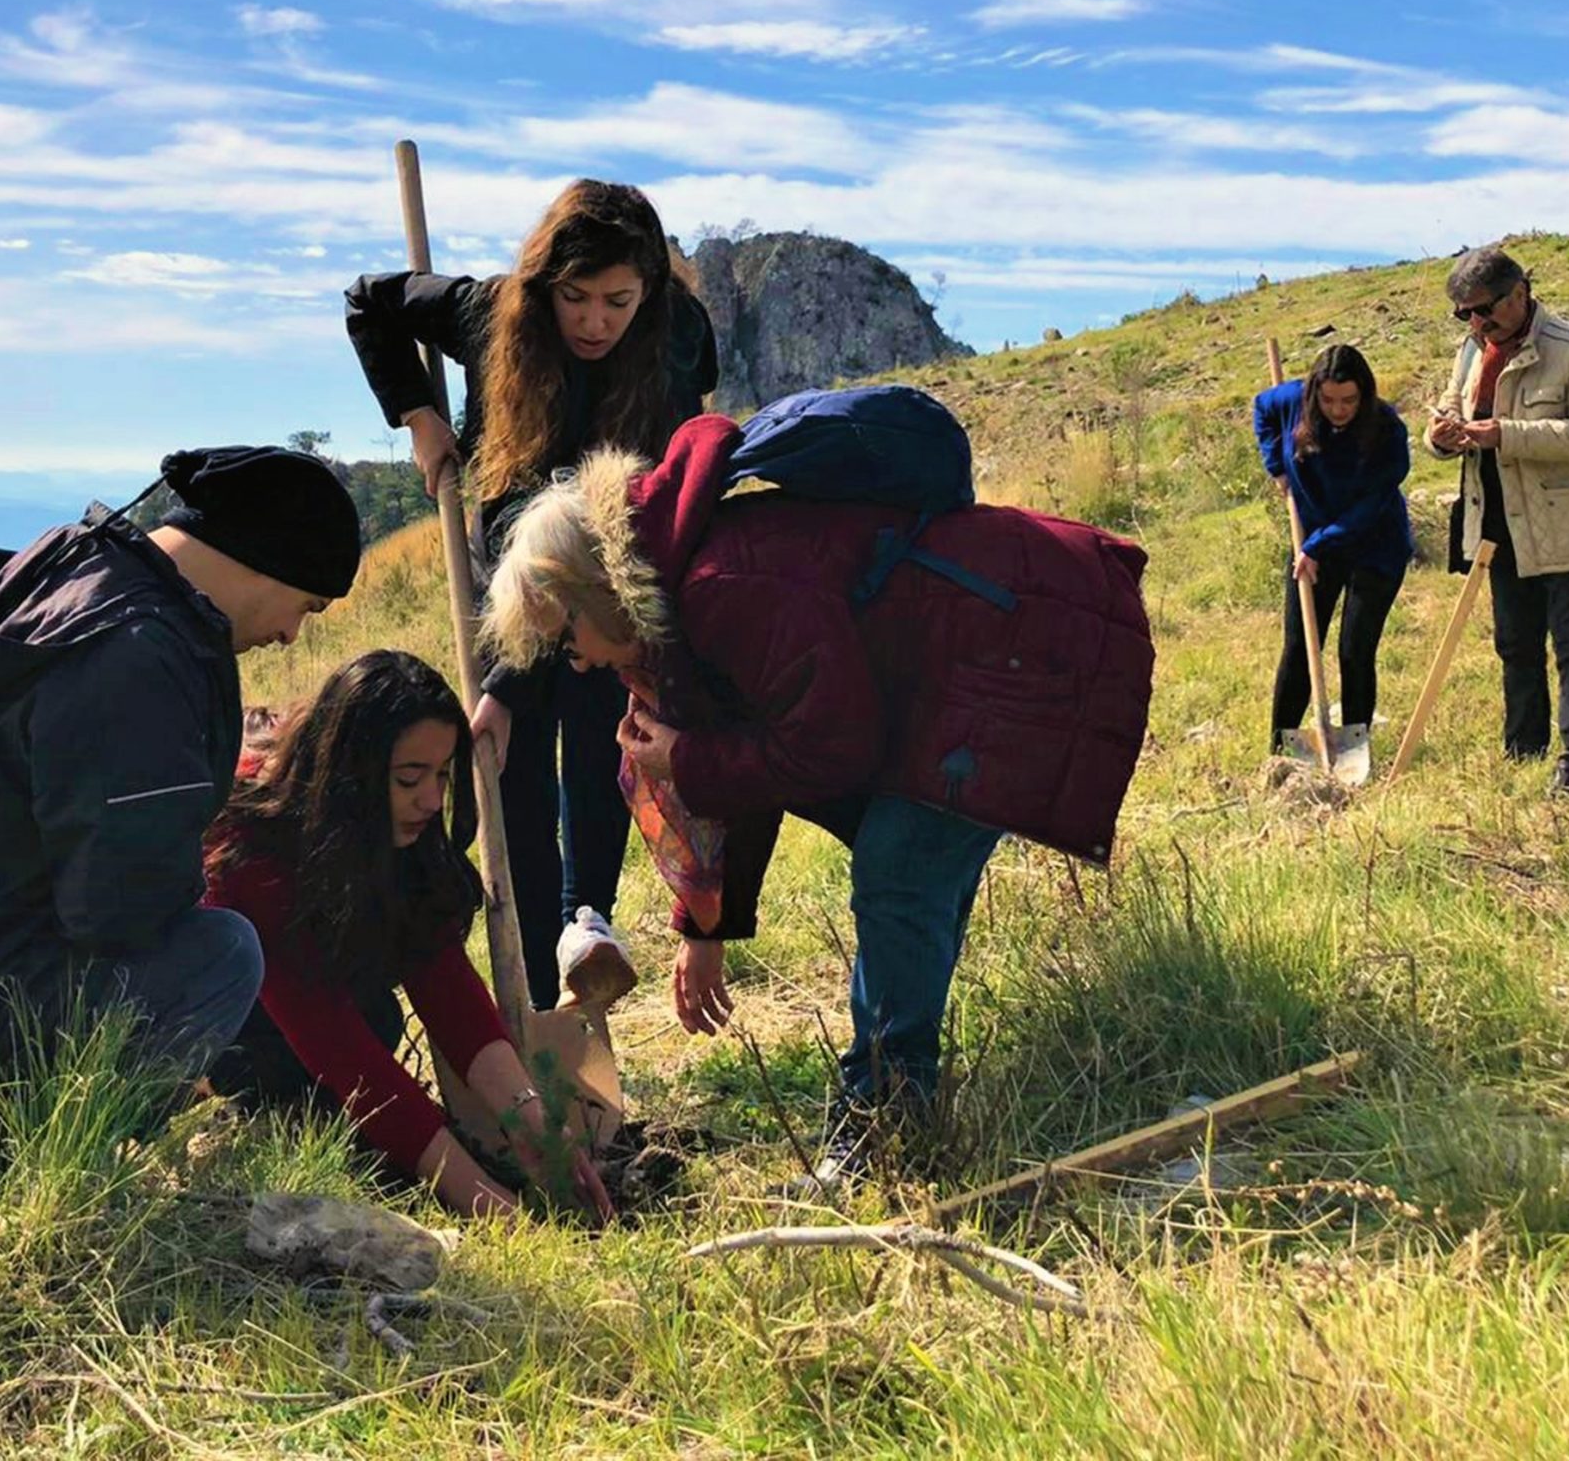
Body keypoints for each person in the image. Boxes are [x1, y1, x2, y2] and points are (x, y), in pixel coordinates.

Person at [480, 413, 1154, 1173]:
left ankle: (883, 1122)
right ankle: (897, 1086)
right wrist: (705, 928)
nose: (575, 664)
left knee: (901, 866)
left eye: (569, 637)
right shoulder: (682, 596)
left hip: (1026, 645)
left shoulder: (718, 589)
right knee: (910, 871)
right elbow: (762, 742)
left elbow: (829, 749)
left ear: (597, 591)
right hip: (996, 646)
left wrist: (690, 759)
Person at [0, 448, 362, 1180]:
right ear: (266, 561)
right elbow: (121, 910)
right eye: (306, 606)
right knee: (219, 957)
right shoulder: (136, 659)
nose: (292, 634)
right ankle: (38, 1168)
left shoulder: (64, 581)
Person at [346, 180, 718, 1012]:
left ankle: (587, 921)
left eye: (617, 301)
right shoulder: (488, 312)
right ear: (543, 285)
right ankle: (535, 994)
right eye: (574, 298)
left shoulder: (676, 331)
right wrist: (417, 415)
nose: (593, 321)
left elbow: (691, 450)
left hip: (602, 585)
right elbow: (369, 303)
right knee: (508, 765)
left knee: (599, 741)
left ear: (649, 293)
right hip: (508, 595)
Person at [203, 650, 611, 1220]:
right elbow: (331, 1037)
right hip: (216, 1011)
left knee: (378, 1018)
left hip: (319, 994)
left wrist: (532, 1124)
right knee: (290, 1060)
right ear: (350, 775)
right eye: (409, 779)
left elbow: (442, 978)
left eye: (442, 775)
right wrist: (482, 1200)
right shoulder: (251, 843)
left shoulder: (397, 830)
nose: (432, 800)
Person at [1425, 248, 1569, 797]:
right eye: (1463, 313)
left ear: (1520, 293)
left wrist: (1506, 434)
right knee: (1514, 646)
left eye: (1484, 310)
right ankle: (1523, 749)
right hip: (1498, 527)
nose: (1475, 322)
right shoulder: (1470, 351)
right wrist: (1441, 437)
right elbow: (1451, 410)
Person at [1251, 344, 1412, 758]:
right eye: (1328, 400)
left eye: (1349, 401)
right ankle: (1280, 753)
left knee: (1355, 649)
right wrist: (1277, 466)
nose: (1338, 410)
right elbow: (1262, 409)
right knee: (1301, 648)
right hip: (1312, 541)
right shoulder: (1291, 401)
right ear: (1314, 394)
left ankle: (1353, 750)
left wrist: (1318, 545)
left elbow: (1373, 503)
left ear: (1365, 395)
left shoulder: (1387, 428)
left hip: (1375, 544)